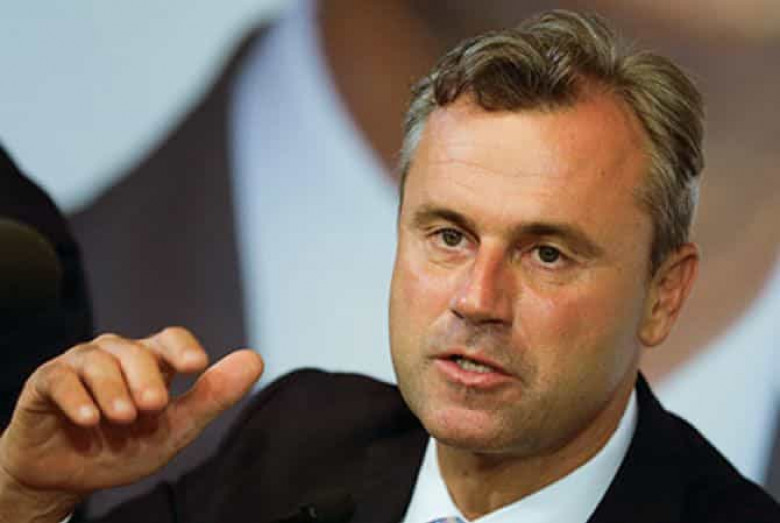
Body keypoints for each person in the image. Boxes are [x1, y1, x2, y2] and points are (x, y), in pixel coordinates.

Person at [3, 10, 778, 523]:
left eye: (546, 253)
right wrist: (30, 498)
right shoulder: (295, 445)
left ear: (663, 293)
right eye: (449, 236)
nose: (476, 298)